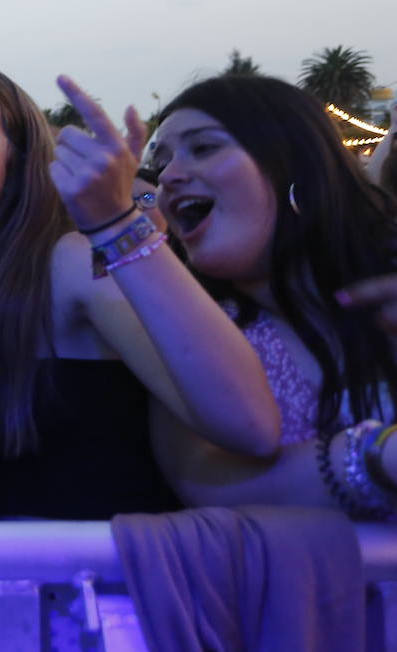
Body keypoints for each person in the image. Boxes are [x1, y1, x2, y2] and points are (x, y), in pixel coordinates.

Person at [0, 66, 279, 518]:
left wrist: (119, 223)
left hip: (103, 582)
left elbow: (249, 424)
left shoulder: (70, 263)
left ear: (19, 162)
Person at [146, 75, 397, 518]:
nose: (169, 176)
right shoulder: (189, 335)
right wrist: (378, 457)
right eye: (160, 163)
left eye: (203, 148)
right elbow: (207, 484)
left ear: (296, 165)